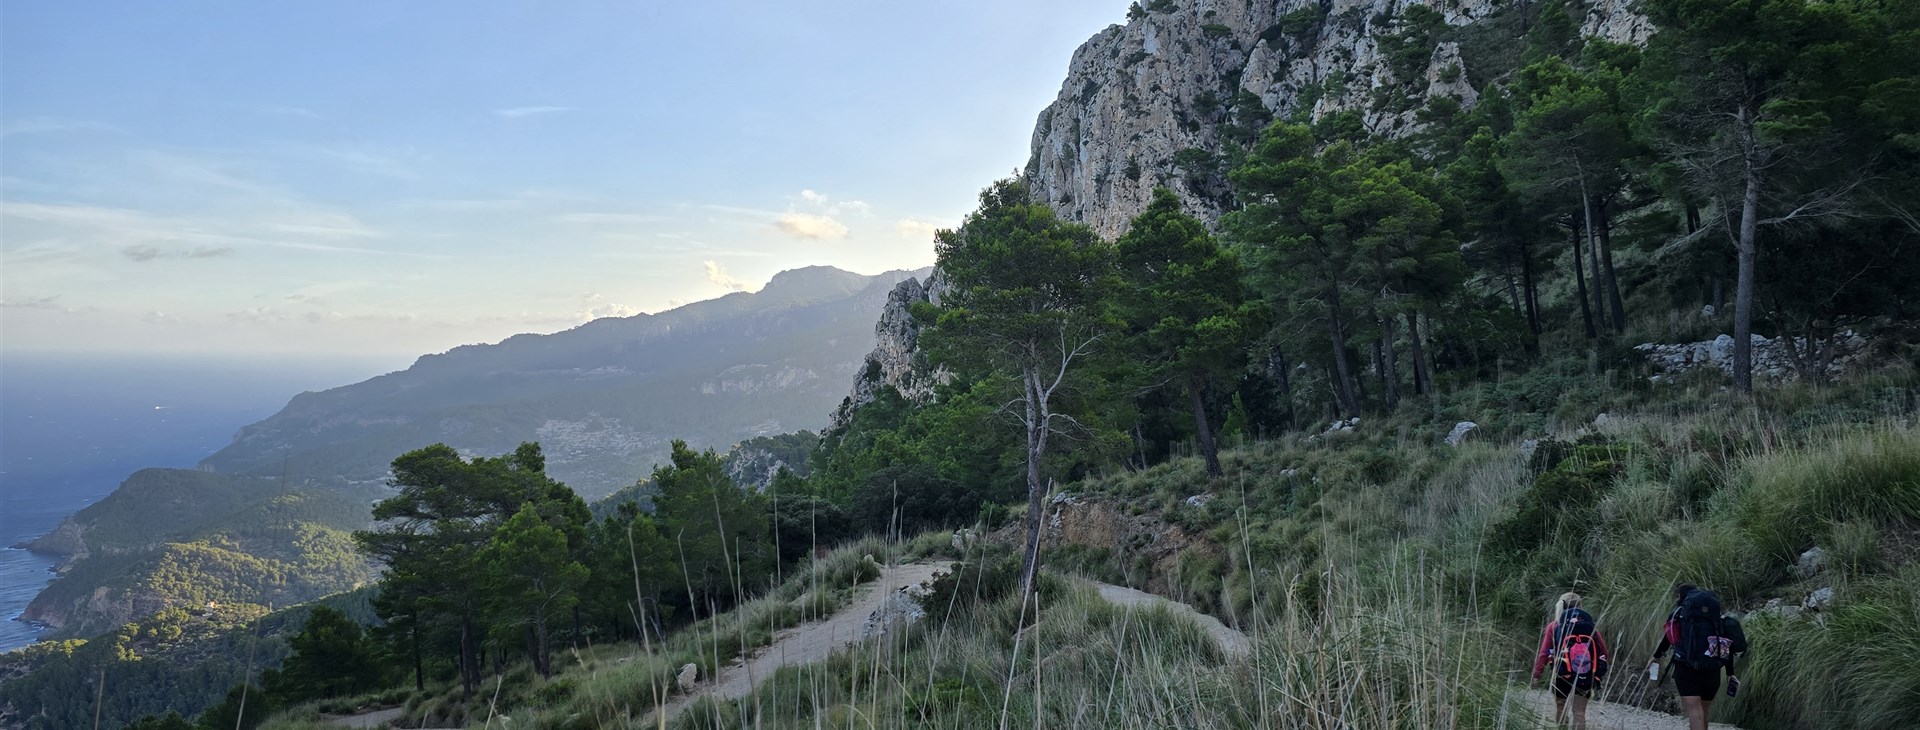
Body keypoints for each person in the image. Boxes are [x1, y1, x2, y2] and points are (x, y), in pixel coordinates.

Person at [1648, 584, 1748, 730]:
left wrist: (1656, 657)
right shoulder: (1715, 620)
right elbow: (1724, 647)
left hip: (1686, 669)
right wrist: (1730, 673)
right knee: (1703, 713)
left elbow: (1668, 639)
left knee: (1695, 713)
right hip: (1712, 673)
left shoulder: (1679, 616)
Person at [1532, 591, 1610, 729]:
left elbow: (1544, 653)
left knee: (1561, 709)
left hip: (1562, 674)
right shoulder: (1590, 626)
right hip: (1586, 674)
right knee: (1579, 712)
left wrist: (1537, 675)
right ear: (1580, 606)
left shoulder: (1554, 626)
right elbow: (1605, 652)